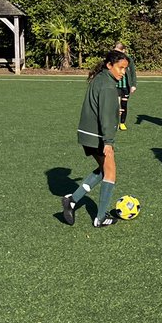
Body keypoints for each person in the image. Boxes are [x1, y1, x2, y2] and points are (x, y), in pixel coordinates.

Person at [63, 50, 130, 227]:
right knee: (110, 173)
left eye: (125, 69)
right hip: (98, 136)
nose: (123, 72)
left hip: (87, 133)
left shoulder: (100, 78)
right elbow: (106, 116)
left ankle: (71, 200)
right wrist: (108, 142)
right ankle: (100, 218)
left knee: (102, 170)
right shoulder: (108, 86)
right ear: (109, 65)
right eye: (120, 68)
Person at [112, 41, 137, 130]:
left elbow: (133, 72)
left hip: (125, 86)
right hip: (116, 85)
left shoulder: (128, 59)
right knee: (116, 105)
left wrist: (133, 85)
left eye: (118, 51)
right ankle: (114, 123)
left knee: (124, 104)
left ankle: (122, 123)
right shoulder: (113, 59)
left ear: (123, 51)